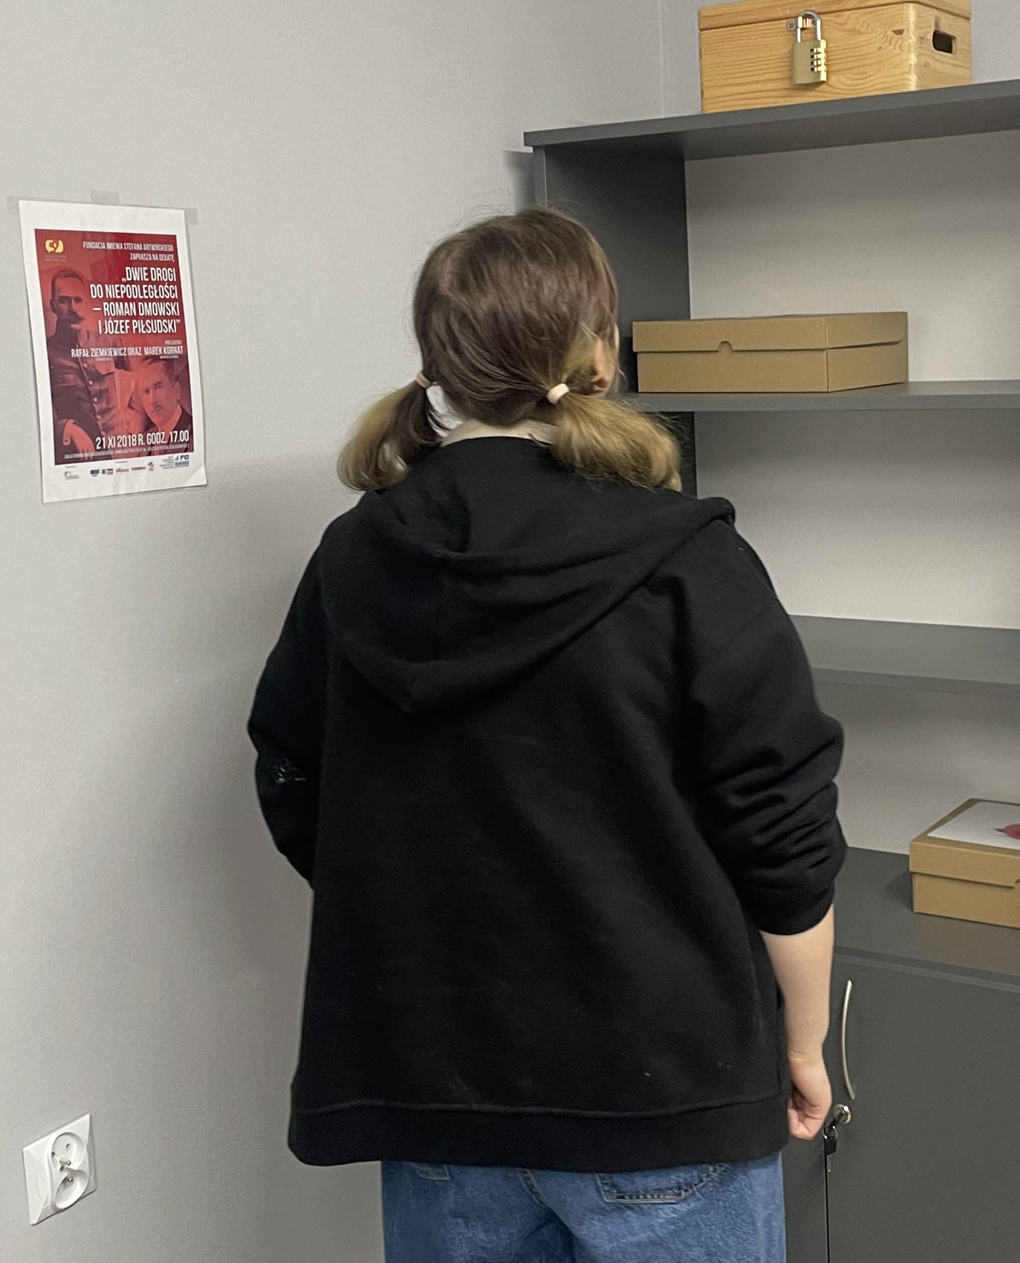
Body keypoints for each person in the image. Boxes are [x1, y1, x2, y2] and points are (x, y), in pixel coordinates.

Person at [248, 208, 844, 1263]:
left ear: (437, 364)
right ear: (598, 356)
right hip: (664, 1096)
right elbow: (782, 835)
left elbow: (294, 776)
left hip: (436, 1096)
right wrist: (804, 1042)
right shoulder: (686, 560)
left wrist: (419, 910)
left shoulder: (352, 556)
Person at [45, 269, 99, 459]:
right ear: (53, 305)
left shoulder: (109, 343)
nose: (73, 309)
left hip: (121, 456)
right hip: (78, 457)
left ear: (86, 304)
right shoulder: (46, 352)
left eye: (78, 300)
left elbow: (145, 376)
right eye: (64, 301)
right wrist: (67, 428)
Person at [131, 353, 193, 446]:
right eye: (146, 391)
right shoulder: (144, 441)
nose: (152, 400)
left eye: (159, 387)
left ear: (176, 390)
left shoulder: (194, 433)